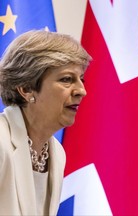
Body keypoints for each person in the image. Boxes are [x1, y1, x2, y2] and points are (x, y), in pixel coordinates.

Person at [0, 30, 91, 215]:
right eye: (67, 79)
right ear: (26, 88)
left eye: (81, 79)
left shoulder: (56, 152)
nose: (82, 91)